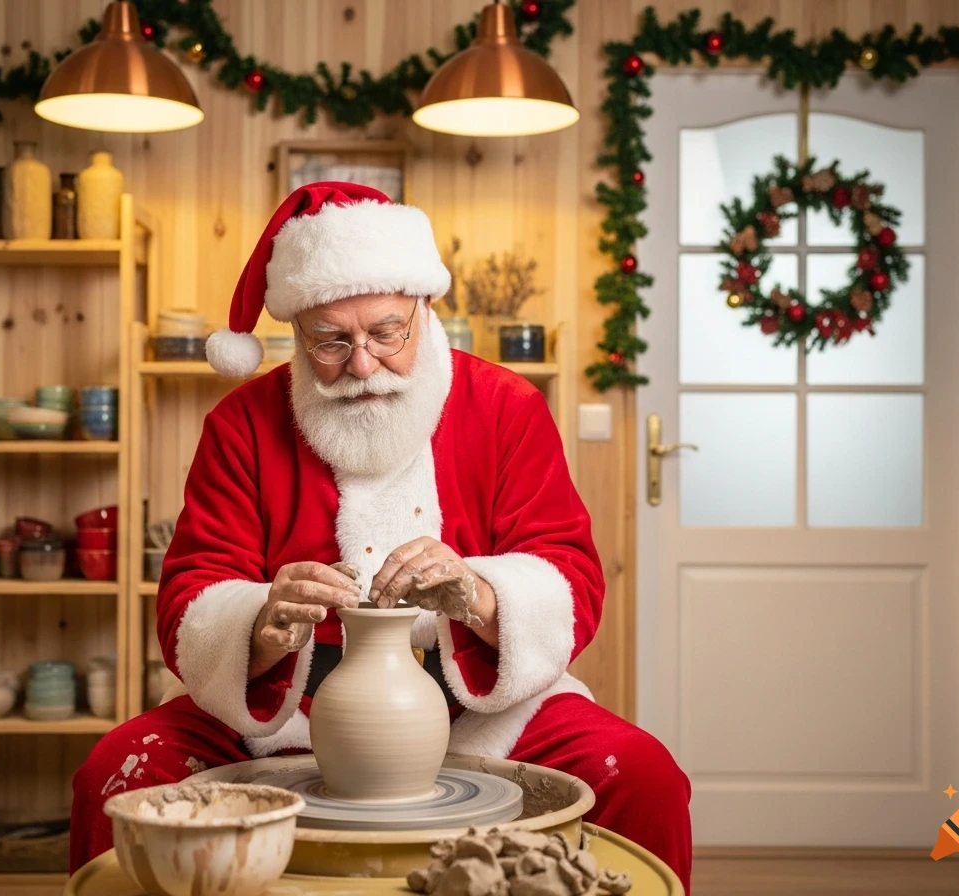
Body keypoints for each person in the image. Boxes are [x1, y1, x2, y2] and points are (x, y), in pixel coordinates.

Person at [69, 182, 692, 891]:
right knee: (115, 776)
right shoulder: (244, 423)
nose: (362, 365)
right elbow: (191, 592)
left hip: (485, 708)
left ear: (425, 310)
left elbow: (569, 574)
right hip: (285, 716)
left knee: (644, 778)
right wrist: (263, 623)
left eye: (387, 333)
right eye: (330, 340)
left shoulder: (505, 408)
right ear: (296, 329)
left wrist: (482, 594)